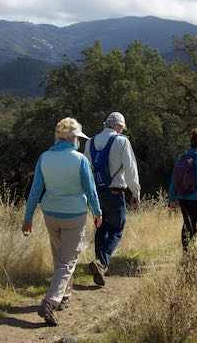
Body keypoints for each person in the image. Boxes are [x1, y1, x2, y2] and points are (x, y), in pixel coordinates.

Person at [21, 117, 102, 326]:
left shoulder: (44, 158)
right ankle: (50, 301)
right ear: (73, 138)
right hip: (74, 214)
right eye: (78, 139)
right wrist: (97, 211)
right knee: (68, 260)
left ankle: (65, 296)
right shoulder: (79, 160)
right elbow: (90, 190)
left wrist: (28, 218)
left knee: (59, 257)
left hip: (50, 213)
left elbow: (35, 190)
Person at [84, 111, 141, 286]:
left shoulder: (89, 143)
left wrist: (87, 196)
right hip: (116, 193)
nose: (122, 131)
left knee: (101, 228)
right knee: (117, 229)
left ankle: (101, 267)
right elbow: (131, 170)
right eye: (122, 128)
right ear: (118, 126)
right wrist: (136, 193)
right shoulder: (122, 141)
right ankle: (101, 262)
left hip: (96, 193)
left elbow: (85, 172)